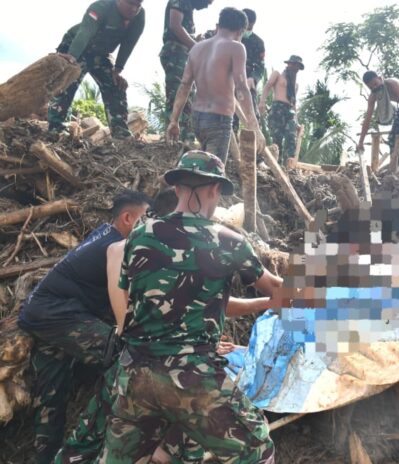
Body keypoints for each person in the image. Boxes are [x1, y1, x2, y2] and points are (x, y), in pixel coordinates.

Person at [98, 150, 279, 463]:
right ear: (215, 189)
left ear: (177, 187)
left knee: (122, 457)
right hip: (192, 377)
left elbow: (133, 295)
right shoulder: (228, 241)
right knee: (257, 450)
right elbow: (276, 288)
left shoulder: (139, 234)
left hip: (135, 374)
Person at [17, 191, 151, 464]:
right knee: (123, 359)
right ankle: (84, 443)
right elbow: (126, 301)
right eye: (146, 218)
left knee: (51, 390)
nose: (150, 225)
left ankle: (44, 456)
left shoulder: (104, 234)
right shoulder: (117, 247)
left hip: (41, 314)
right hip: (59, 313)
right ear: (128, 218)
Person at [166, 7, 264, 164]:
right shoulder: (236, 48)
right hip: (219, 120)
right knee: (213, 173)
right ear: (240, 31)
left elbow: (184, 85)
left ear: (219, 24)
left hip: (197, 119)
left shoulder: (197, 48)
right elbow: (241, 87)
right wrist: (254, 125)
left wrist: (174, 121)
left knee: (203, 168)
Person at [48, 0, 145, 139]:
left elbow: (129, 43)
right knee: (67, 82)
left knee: (115, 84)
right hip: (75, 47)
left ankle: (121, 135)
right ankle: (57, 129)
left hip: (101, 53)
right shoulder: (101, 7)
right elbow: (85, 32)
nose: (134, 9)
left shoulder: (140, 16)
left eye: (138, 5)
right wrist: (71, 57)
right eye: (130, 3)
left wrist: (117, 69)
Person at [160, 0, 215, 142]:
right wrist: (195, 46)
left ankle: (185, 138)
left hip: (182, 53)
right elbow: (175, 25)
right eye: (208, 2)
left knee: (188, 97)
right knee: (177, 95)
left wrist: (196, 41)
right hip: (175, 52)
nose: (207, 6)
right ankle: (173, 139)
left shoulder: (188, 7)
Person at [357, 71, 399, 159]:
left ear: (380, 78)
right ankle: (396, 163)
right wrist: (361, 142)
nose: (375, 88)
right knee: (393, 138)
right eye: (371, 87)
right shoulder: (373, 96)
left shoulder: (392, 83)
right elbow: (367, 120)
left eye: (375, 84)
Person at [260, 55, 304, 165]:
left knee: (291, 138)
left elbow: (294, 103)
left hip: (290, 111)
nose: (296, 68)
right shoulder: (278, 74)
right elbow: (267, 86)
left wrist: (297, 122)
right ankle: (276, 165)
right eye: (294, 65)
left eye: (298, 67)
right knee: (277, 139)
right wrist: (262, 102)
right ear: (289, 64)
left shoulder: (295, 85)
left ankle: (289, 166)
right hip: (277, 108)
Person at [233, 8, 265, 133]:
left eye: (250, 27)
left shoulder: (258, 43)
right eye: (245, 26)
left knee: (253, 119)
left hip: (247, 85)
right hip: (229, 83)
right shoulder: (231, 37)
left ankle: (256, 143)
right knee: (230, 118)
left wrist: (253, 78)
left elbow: (261, 66)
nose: (247, 29)